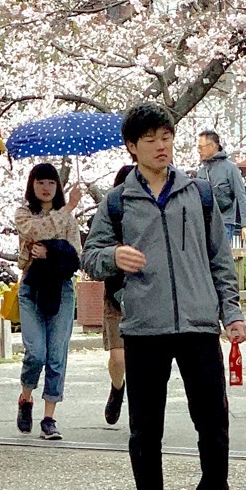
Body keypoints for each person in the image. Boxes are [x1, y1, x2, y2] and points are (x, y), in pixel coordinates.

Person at [82, 103, 246, 490]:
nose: (162, 146)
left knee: (212, 421)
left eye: (167, 136)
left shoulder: (200, 193)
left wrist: (230, 313)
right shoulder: (117, 202)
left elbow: (220, 259)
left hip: (197, 324)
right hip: (143, 329)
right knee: (145, 429)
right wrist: (113, 256)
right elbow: (91, 257)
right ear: (133, 147)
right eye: (151, 139)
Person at [14, 163, 83, 441]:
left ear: (58, 187)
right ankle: (26, 397)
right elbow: (36, 231)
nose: (46, 188)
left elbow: (75, 256)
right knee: (36, 352)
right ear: (32, 185)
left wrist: (51, 254)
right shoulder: (23, 213)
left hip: (61, 290)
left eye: (51, 183)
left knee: (56, 356)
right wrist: (67, 210)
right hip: (31, 288)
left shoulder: (71, 221)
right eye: (40, 182)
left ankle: (49, 418)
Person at [100, 162, 132, 427]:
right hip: (116, 293)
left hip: (146, 294)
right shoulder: (108, 213)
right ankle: (117, 386)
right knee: (118, 356)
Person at [196, 130, 246, 238]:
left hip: (224, 222)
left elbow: (241, 195)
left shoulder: (230, 168)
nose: (199, 151)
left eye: (201, 147)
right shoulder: (201, 171)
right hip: (204, 224)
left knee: (223, 254)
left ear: (212, 146)